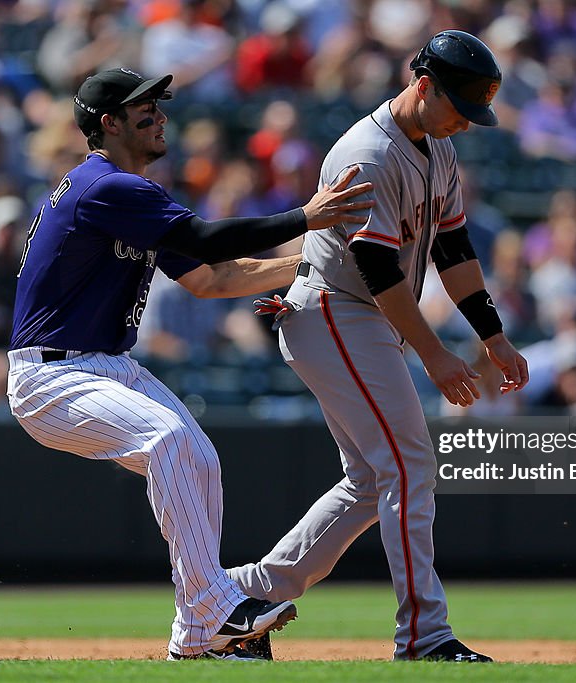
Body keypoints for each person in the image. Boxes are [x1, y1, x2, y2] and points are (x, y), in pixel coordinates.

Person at [5, 67, 372, 661]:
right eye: (142, 108)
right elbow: (205, 241)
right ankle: (216, 609)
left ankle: (197, 635)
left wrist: (312, 264)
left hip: (102, 365)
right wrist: (308, 217)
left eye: (158, 106)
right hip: (51, 375)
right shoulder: (105, 186)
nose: (158, 115)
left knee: (197, 455)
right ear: (109, 123)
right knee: (171, 440)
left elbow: (211, 277)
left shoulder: (129, 197)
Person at [228, 31, 529, 662]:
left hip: (363, 316)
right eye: (459, 108)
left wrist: (493, 338)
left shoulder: (437, 148)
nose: (465, 124)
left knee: (371, 479)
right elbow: (379, 271)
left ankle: (245, 596)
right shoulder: (367, 153)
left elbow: (454, 251)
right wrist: (435, 355)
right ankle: (424, 635)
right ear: (423, 85)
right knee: (410, 463)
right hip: (338, 309)